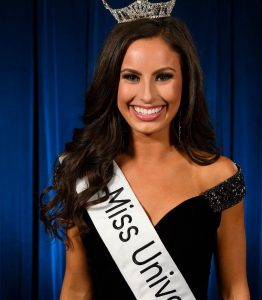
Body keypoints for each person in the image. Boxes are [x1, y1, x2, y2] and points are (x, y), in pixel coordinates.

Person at [40, 2, 250, 299]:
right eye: (131, 77)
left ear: (185, 82)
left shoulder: (219, 177)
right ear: (112, 82)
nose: (148, 95)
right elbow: (76, 289)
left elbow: (235, 289)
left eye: (163, 76)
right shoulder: (84, 172)